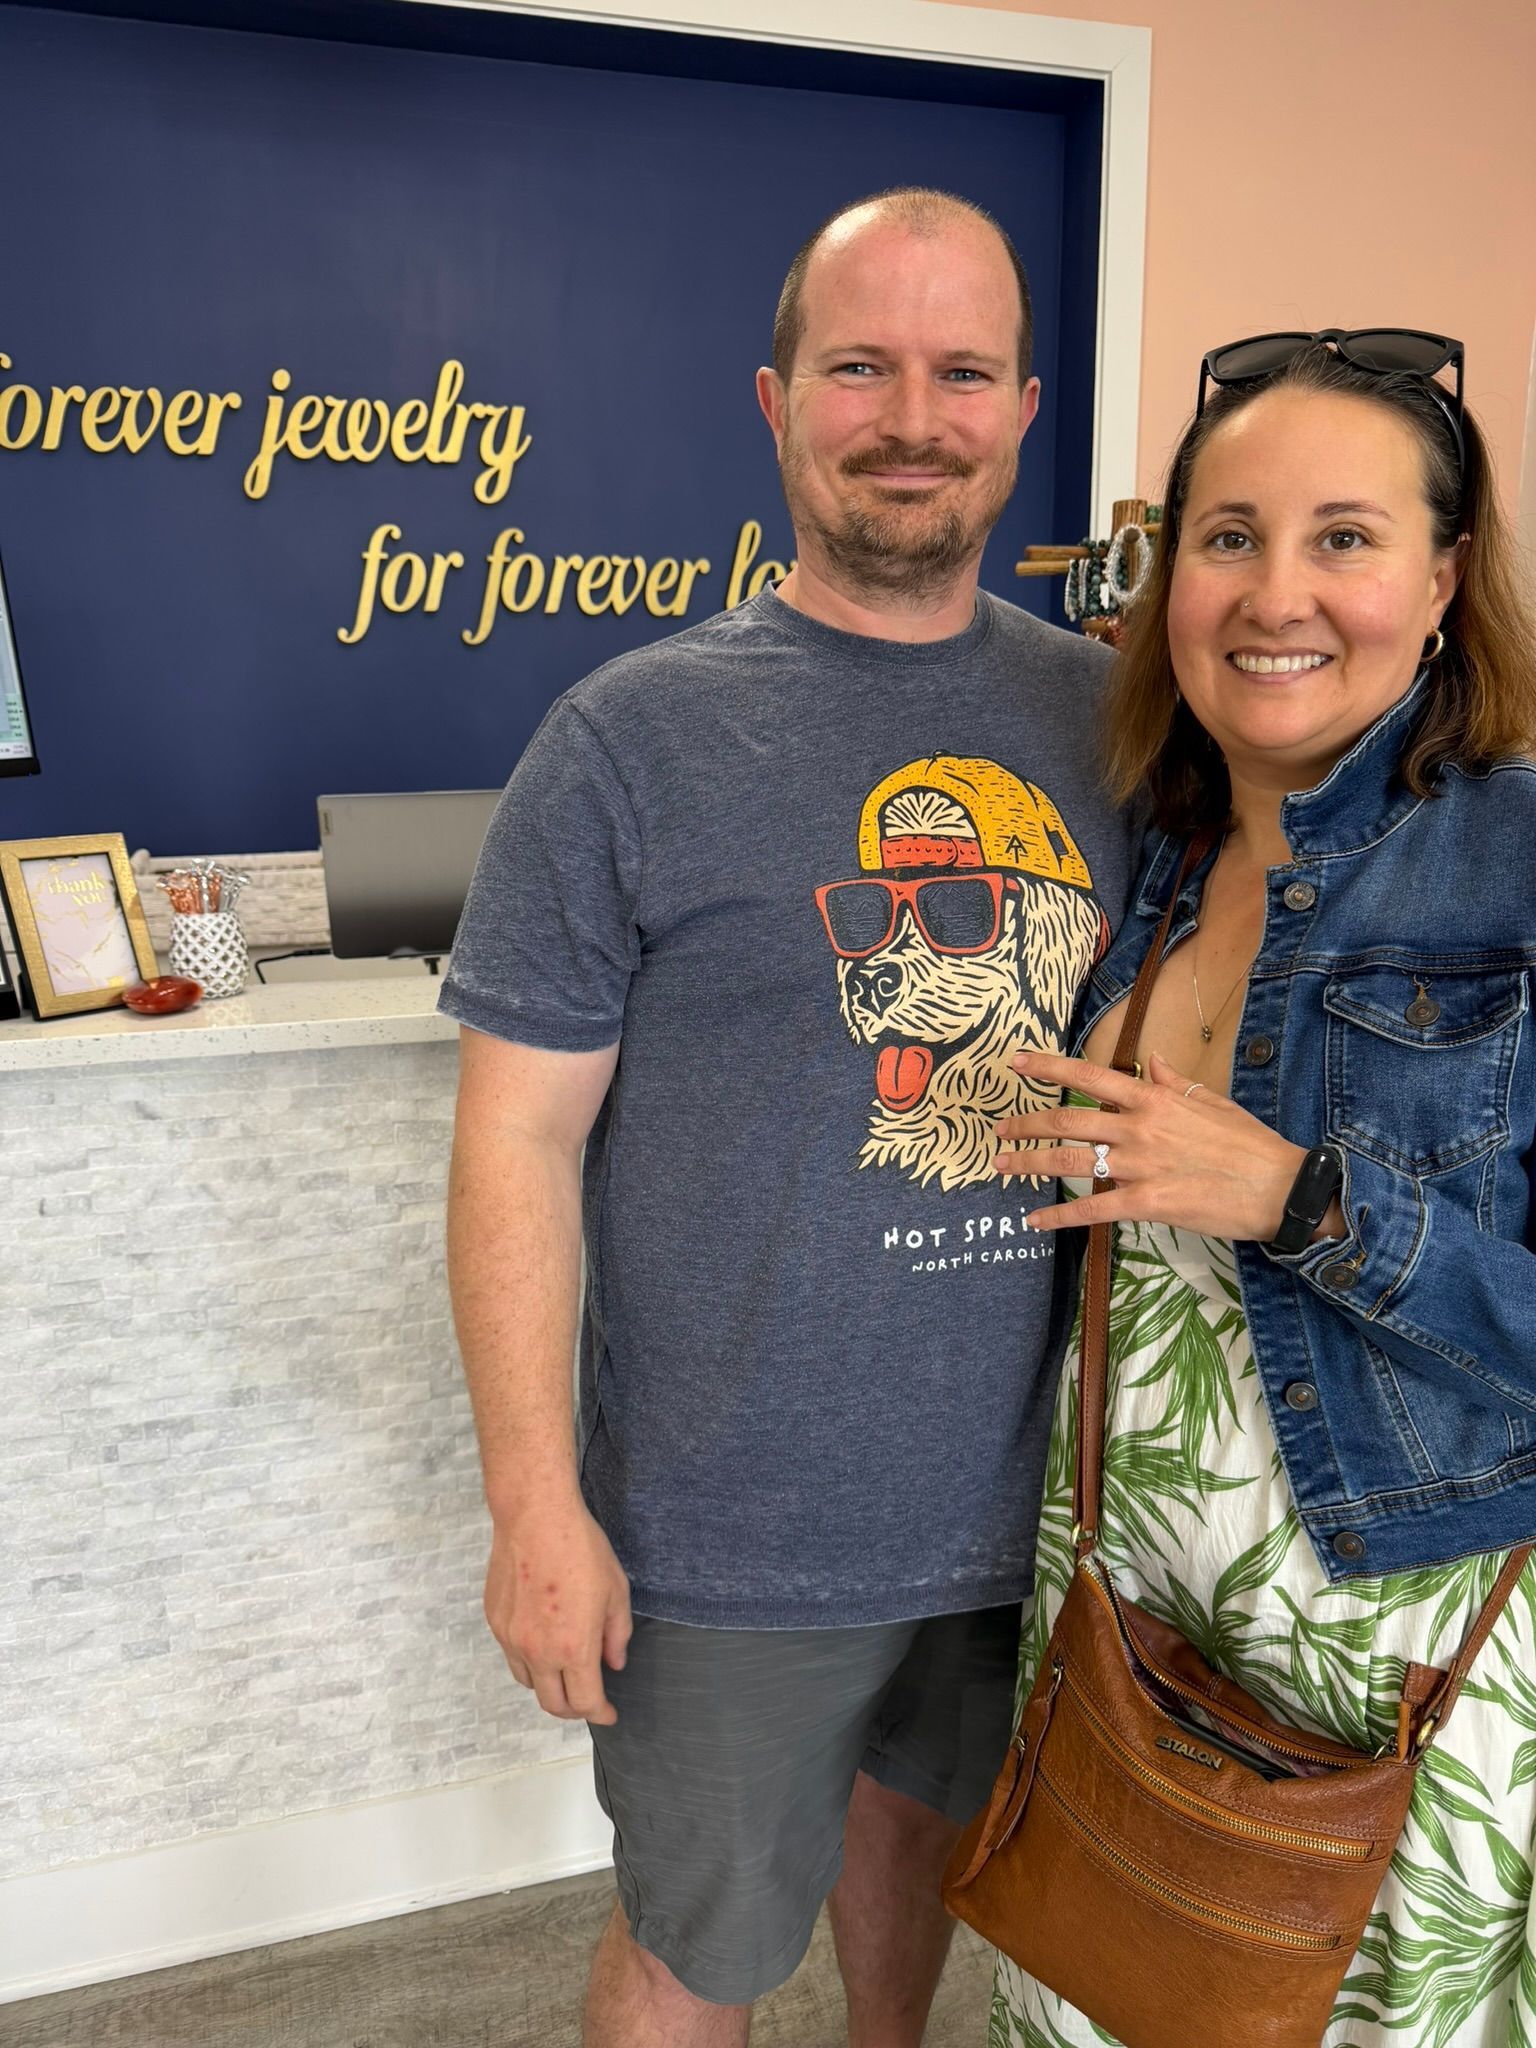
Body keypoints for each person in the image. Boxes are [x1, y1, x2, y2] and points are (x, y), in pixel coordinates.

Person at [439, 187, 1133, 2047]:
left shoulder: (1123, 725)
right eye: (858, 367)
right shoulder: (627, 739)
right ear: (775, 401)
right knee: (699, 1950)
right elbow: (514, 1143)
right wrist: (533, 1503)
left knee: (929, 1875)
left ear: (1023, 409)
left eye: (961, 372)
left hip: (1042, 1513)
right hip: (730, 1535)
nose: (912, 418)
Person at [992, 332, 1536, 2045]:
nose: (1274, 593)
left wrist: (1305, 1201)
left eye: (1344, 537)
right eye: (1229, 536)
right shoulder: (1159, 851)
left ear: (1442, 581)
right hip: (1124, 1586)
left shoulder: (1519, 861)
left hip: (1394, 1635)